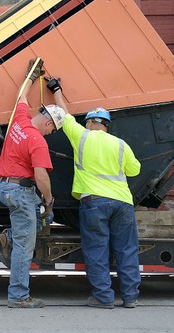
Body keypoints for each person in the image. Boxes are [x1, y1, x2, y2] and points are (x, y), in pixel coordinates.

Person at [47, 78, 141, 309]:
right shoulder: (120, 144)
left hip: (94, 203)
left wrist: (57, 90)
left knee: (97, 250)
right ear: (107, 126)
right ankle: (130, 298)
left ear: (88, 123)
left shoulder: (81, 136)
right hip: (122, 203)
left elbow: (63, 113)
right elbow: (135, 170)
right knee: (127, 250)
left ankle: (103, 297)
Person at [0, 61, 63, 309]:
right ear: (48, 123)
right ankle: (18, 296)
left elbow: (21, 96)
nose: (51, 133)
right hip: (20, 191)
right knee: (25, 244)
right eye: (53, 129)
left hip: (4, 187)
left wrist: (31, 76)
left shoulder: (19, 120)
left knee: (40, 220)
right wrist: (50, 200)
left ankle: (6, 237)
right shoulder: (38, 142)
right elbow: (42, 178)